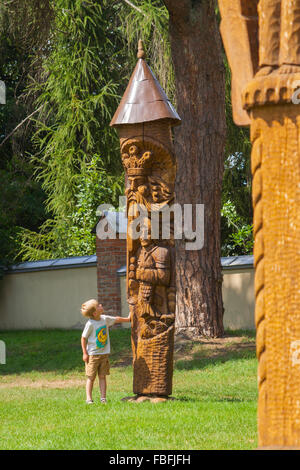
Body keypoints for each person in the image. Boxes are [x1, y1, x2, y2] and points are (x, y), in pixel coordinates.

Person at [80, 299, 131, 404]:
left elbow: (116, 319)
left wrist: (128, 319)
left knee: (102, 376)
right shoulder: (90, 324)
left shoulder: (104, 319)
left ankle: (103, 398)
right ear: (95, 313)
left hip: (104, 355)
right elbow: (83, 338)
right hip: (93, 356)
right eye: (98, 305)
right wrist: (85, 353)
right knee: (91, 377)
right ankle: (89, 399)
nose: (101, 305)